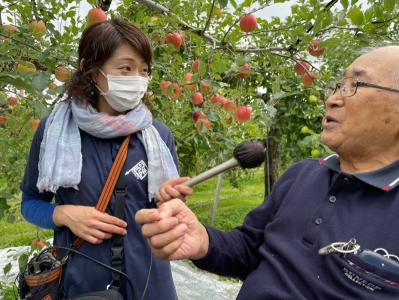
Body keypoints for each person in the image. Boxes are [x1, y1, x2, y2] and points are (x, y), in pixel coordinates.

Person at [136, 45, 399, 299]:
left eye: (354, 85)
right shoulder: (302, 174)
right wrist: (203, 241)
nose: (332, 99)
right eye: (338, 85)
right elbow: (249, 251)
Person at [20, 19, 191, 299]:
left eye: (144, 70)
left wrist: (169, 203)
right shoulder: (54, 130)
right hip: (82, 286)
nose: (138, 78)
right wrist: (63, 214)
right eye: (125, 67)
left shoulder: (158, 136)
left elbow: (167, 210)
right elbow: (29, 203)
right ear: (91, 69)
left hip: (151, 285)